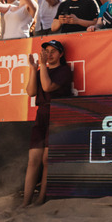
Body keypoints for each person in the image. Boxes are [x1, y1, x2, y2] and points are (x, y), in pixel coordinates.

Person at [22, 39, 73, 207]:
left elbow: (47, 87)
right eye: (46, 51)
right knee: (33, 160)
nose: (49, 55)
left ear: (61, 54)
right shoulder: (39, 70)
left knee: (46, 159)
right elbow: (30, 92)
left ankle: (41, 198)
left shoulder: (64, 70)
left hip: (57, 113)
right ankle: (25, 201)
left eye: (53, 51)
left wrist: (42, 66)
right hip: (41, 113)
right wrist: (32, 68)